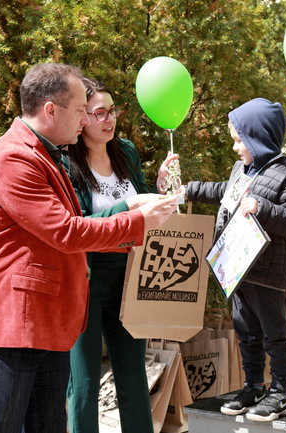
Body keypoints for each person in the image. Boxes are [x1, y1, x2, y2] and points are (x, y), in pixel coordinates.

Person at [0, 63, 177, 433]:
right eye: (82, 110)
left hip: (47, 324)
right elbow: (66, 232)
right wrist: (139, 221)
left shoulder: (50, 154)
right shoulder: (13, 159)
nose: (86, 121)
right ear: (50, 110)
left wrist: (133, 207)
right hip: (13, 328)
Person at [182, 98, 286, 422]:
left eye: (240, 140)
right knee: (245, 332)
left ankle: (280, 391)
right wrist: (189, 190)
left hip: (267, 275)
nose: (236, 148)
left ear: (258, 137)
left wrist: (262, 208)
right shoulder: (242, 169)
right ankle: (252, 386)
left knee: (275, 333)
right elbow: (223, 192)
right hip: (237, 270)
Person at [63, 78, 177, 433]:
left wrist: (158, 189)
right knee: (84, 381)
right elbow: (78, 224)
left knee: (132, 374)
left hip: (130, 273)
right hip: (88, 275)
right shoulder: (67, 161)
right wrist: (127, 207)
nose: (108, 119)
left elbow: (143, 203)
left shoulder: (124, 150)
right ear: (82, 119)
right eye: (99, 112)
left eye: (112, 111)